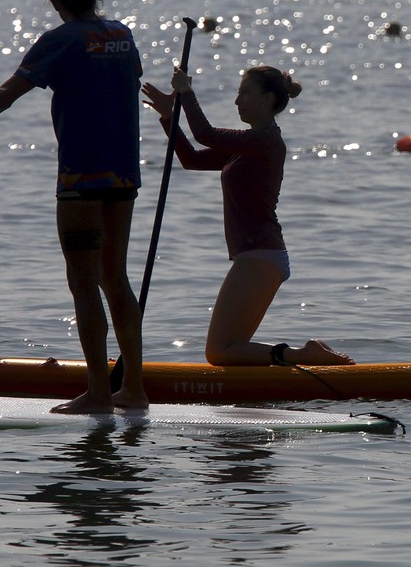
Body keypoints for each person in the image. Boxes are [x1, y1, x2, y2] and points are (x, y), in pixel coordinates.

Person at [0, 0, 146, 413]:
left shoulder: (59, 41)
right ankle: (135, 390)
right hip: (125, 174)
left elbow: (4, 97)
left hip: (81, 176)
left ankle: (99, 396)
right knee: (115, 277)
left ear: (55, 0)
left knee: (84, 284)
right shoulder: (122, 35)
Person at [140, 65, 353, 368]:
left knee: (219, 352)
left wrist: (186, 92)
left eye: (244, 93)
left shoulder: (265, 142)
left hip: (260, 255)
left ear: (267, 99)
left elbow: (204, 134)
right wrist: (167, 117)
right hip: (259, 256)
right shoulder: (248, 145)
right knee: (229, 351)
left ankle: (304, 355)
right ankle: (298, 358)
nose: (237, 101)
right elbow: (192, 160)